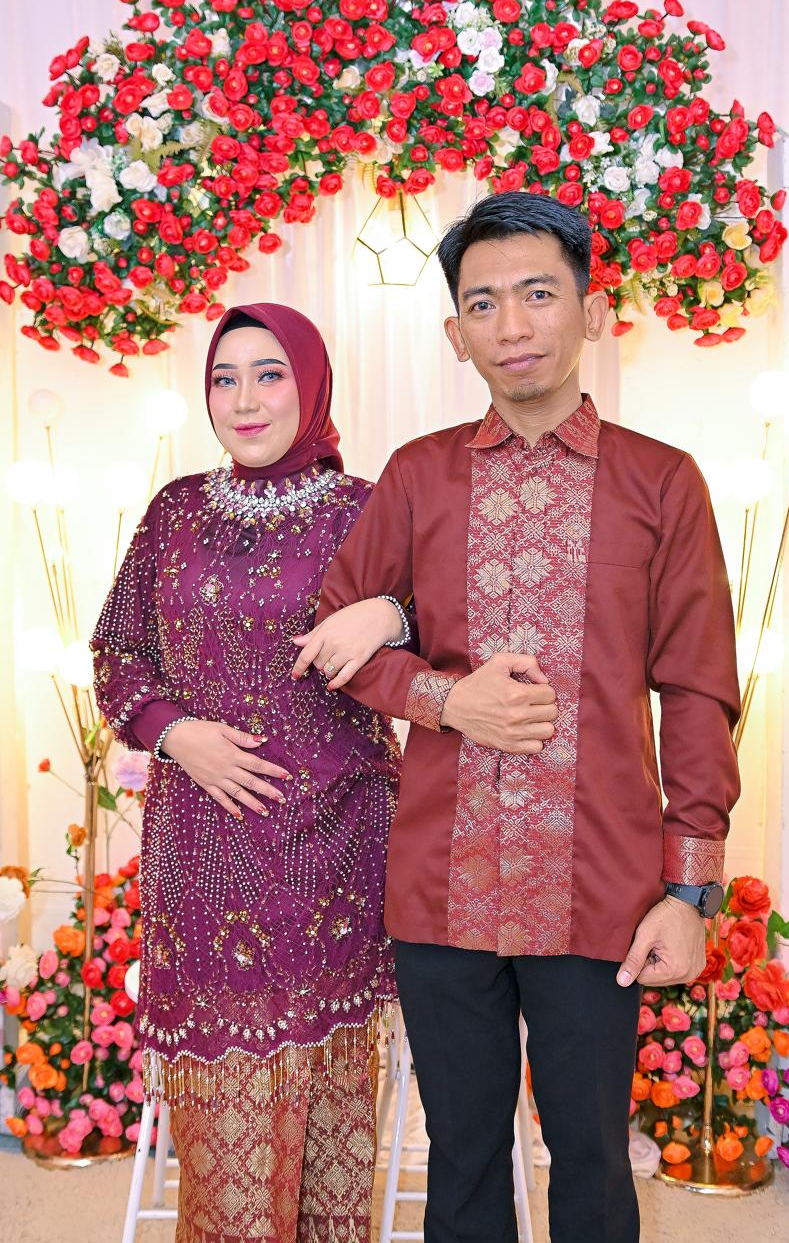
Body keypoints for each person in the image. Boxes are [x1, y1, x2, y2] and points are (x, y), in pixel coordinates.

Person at [293, 193, 741, 1243]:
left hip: (600, 887)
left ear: (593, 311)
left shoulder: (661, 481)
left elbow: (697, 688)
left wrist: (688, 891)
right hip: (441, 884)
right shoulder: (418, 474)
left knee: (591, 1160)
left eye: (538, 294)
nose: (512, 325)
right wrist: (449, 700)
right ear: (455, 333)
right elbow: (336, 641)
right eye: (483, 303)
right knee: (460, 1161)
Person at [92, 302, 413, 1243]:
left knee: (332, 1112)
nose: (244, 400)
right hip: (205, 849)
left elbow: (442, 629)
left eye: (269, 375)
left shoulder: (366, 509)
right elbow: (117, 649)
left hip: (339, 847)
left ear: (310, 385)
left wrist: (390, 614)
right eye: (224, 379)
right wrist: (175, 732)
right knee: (224, 1123)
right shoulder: (176, 510)